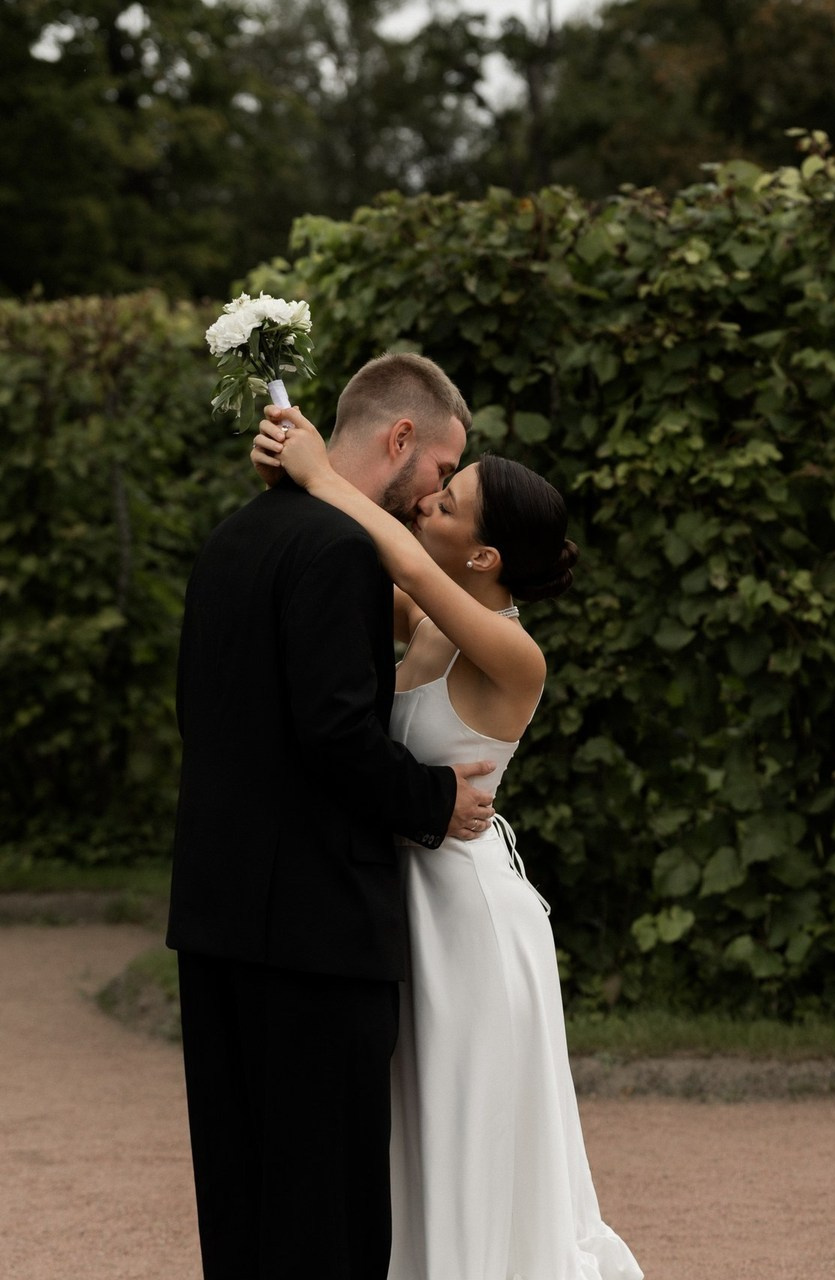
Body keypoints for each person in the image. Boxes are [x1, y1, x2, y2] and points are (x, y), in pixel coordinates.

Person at [252, 404, 644, 1280]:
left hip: (467, 919)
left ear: (484, 557)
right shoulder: (429, 623)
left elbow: (397, 559)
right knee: (409, 1116)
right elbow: (347, 563)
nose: (426, 501)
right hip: (404, 903)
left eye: (448, 501)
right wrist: (289, 482)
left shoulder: (512, 654)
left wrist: (320, 474)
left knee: (464, 1111)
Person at [167, 352, 500, 1280]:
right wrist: (437, 800)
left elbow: (201, 712)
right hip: (314, 934)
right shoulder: (341, 550)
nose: (434, 494)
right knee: (328, 1213)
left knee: (241, 1201)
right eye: (441, 469)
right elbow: (338, 737)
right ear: (401, 438)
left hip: (216, 920)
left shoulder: (233, 537)